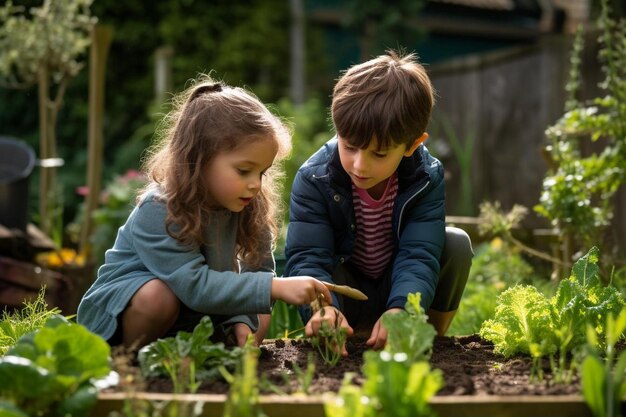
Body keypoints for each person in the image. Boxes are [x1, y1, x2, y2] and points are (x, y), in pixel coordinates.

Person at [77, 76, 332, 350]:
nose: (256, 184)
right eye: (244, 171)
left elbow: (258, 269)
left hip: (196, 315)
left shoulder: (248, 204)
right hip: (126, 316)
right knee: (158, 297)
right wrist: (276, 287)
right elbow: (194, 286)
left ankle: (231, 356)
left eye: (262, 172)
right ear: (200, 160)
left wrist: (244, 321)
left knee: (259, 310)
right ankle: (124, 362)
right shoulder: (159, 208)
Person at [284, 50, 473, 355]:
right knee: (318, 274)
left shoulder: (426, 177)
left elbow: (418, 254)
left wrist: (402, 309)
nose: (360, 165)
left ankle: (427, 339)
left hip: (397, 290)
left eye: (379, 154)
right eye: (351, 147)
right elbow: (308, 257)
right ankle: (339, 332)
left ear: (412, 145)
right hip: (344, 295)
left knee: (456, 245)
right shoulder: (314, 178)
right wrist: (322, 309)